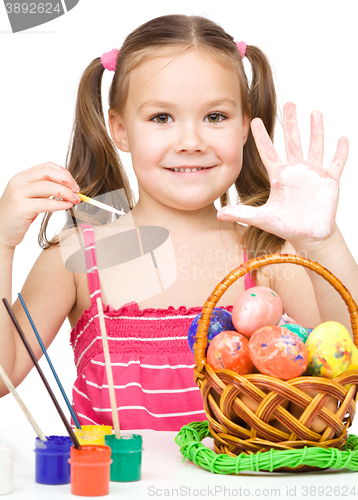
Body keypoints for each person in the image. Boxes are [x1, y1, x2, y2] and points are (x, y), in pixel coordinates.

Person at [0, 14, 357, 431]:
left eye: (216, 117)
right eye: (161, 118)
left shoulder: (268, 254)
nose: (191, 142)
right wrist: (2, 244)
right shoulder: (77, 257)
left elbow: (346, 364)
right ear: (120, 129)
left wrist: (324, 244)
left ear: (245, 124)